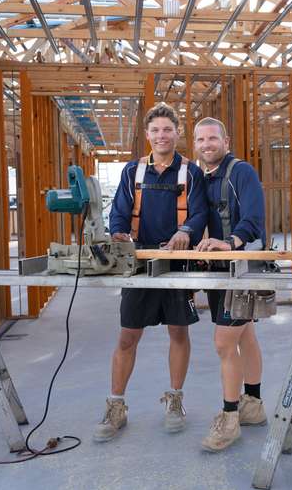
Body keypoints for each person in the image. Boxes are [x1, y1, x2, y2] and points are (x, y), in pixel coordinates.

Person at [94, 102, 207, 442]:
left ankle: (174, 400)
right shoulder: (134, 172)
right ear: (148, 135)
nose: (162, 135)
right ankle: (116, 405)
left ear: (177, 134)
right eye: (156, 130)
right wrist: (118, 232)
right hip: (140, 264)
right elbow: (119, 211)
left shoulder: (191, 172)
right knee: (128, 335)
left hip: (177, 261)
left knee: (178, 331)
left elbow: (199, 212)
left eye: (167, 130)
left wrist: (186, 230)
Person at [193, 117, 267, 452]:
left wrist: (230, 242)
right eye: (200, 140)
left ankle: (230, 417)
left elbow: (254, 218)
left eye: (212, 138)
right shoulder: (201, 177)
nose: (207, 145)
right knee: (245, 334)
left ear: (226, 139)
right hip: (220, 270)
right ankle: (253, 403)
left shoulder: (242, 172)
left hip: (244, 267)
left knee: (225, 342)